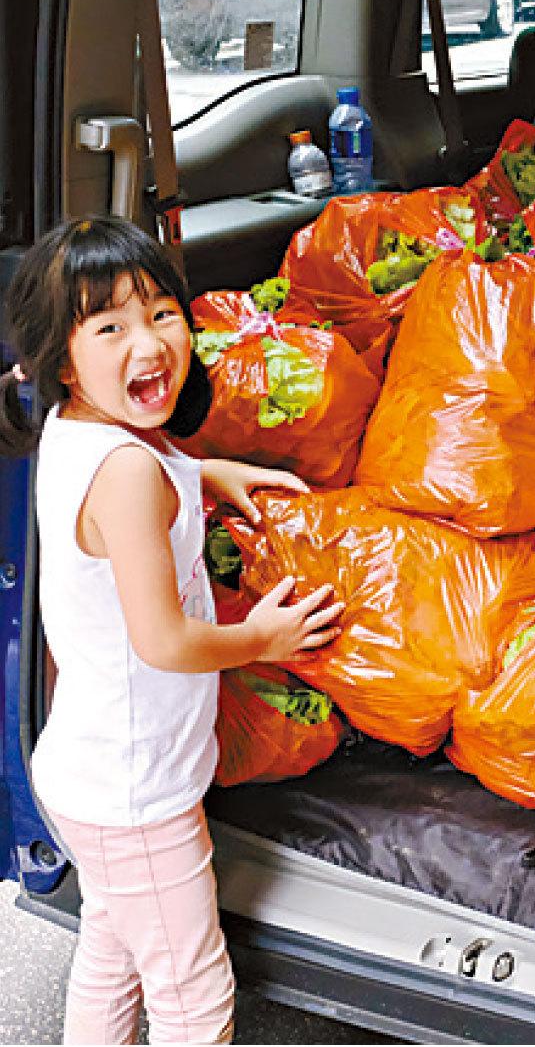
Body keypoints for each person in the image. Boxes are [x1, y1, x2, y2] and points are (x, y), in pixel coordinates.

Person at [0, 216, 344, 1045]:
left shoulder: (81, 430)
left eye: (160, 313)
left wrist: (210, 473)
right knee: (193, 994)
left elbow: (145, 474)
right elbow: (164, 640)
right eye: (110, 328)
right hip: (136, 795)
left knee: (113, 950)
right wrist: (263, 640)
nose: (149, 343)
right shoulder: (125, 472)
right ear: (62, 360)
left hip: (93, 772)